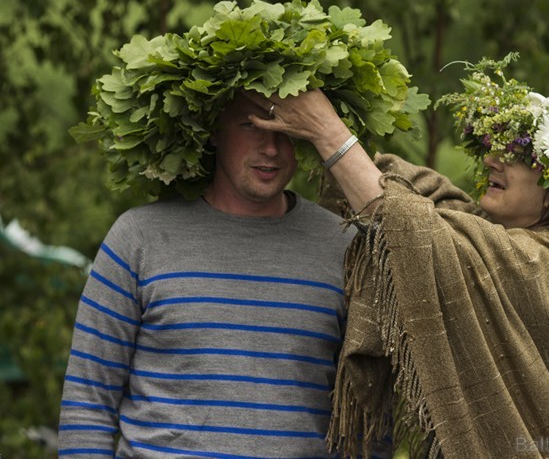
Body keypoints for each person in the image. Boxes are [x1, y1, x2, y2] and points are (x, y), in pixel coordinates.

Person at [245, 58, 549, 458]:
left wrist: (327, 131)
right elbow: (420, 201)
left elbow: (416, 232)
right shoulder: (484, 234)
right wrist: (324, 123)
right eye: (495, 146)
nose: (490, 159)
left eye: (518, 155)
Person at [58, 90, 367, 457]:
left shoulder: (344, 247)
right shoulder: (139, 239)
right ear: (212, 131)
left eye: (285, 128)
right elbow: (87, 403)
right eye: (250, 125)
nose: (271, 148)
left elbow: (366, 414)